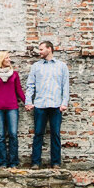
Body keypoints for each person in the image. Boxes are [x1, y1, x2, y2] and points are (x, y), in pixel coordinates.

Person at [25, 39, 69, 168]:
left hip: (56, 105)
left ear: (49, 49)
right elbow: (30, 85)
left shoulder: (62, 66)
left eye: (41, 49)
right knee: (38, 133)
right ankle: (35, 162)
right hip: (40, 105)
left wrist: (64, 103)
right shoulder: (36, 66)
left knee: (55, 134)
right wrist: (28, 101)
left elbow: (65, 86)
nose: (39, 52)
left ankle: (56, 163)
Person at [0, 50, 25, 168]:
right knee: (1, 136)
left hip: (12, 108)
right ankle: (2, 163)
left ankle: (13, 162)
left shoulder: (14, 74)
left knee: (13, 134)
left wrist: (27, 103)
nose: (9, 59)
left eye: (9, 57)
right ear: (1, 59)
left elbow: (19, 90)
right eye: (7, 58)